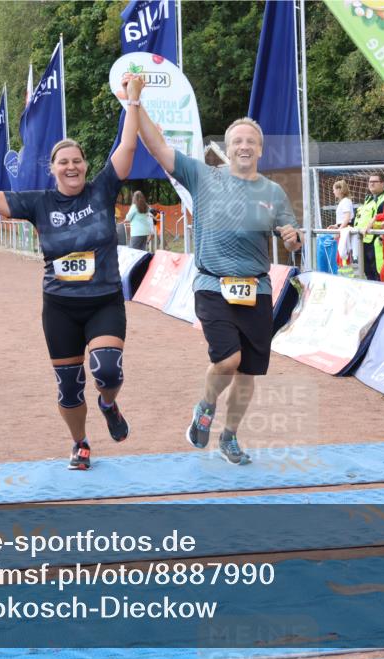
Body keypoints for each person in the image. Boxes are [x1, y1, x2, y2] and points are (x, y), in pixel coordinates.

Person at [0, 74, 143, 471]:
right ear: (52, 169)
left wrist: (133, 102)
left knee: (106, 372)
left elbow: (126, 146)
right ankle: (80, 443)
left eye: (77, 160)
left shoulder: (102, 189)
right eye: (63, 162)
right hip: (60, 307)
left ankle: (108, 403)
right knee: (69, 389)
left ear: (86, 165)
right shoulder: (37, 203)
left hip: (103, 300)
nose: (72, 167)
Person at [135, 94, 302, 466]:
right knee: (228, 360)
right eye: (238, 141)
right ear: (228, 148)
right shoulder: (203, 176)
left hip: (257, 289)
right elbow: (158, 147)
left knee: (248, 372)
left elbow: (290, 236)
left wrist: (292, 238)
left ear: (260, 149)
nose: (244, 146)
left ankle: (229, 437)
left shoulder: (272, 192)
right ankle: (205, 408)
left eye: (251, 141)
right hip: (212, 284)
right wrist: (135, 103)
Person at [352, 174, 384, 281]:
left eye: (375, 181)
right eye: (370, 181)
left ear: (382, 184)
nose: (371, 183)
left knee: (378, 271)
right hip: (365, 239)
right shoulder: (368, 198)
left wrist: (382, 235)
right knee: (368, 271)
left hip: (379, 240)